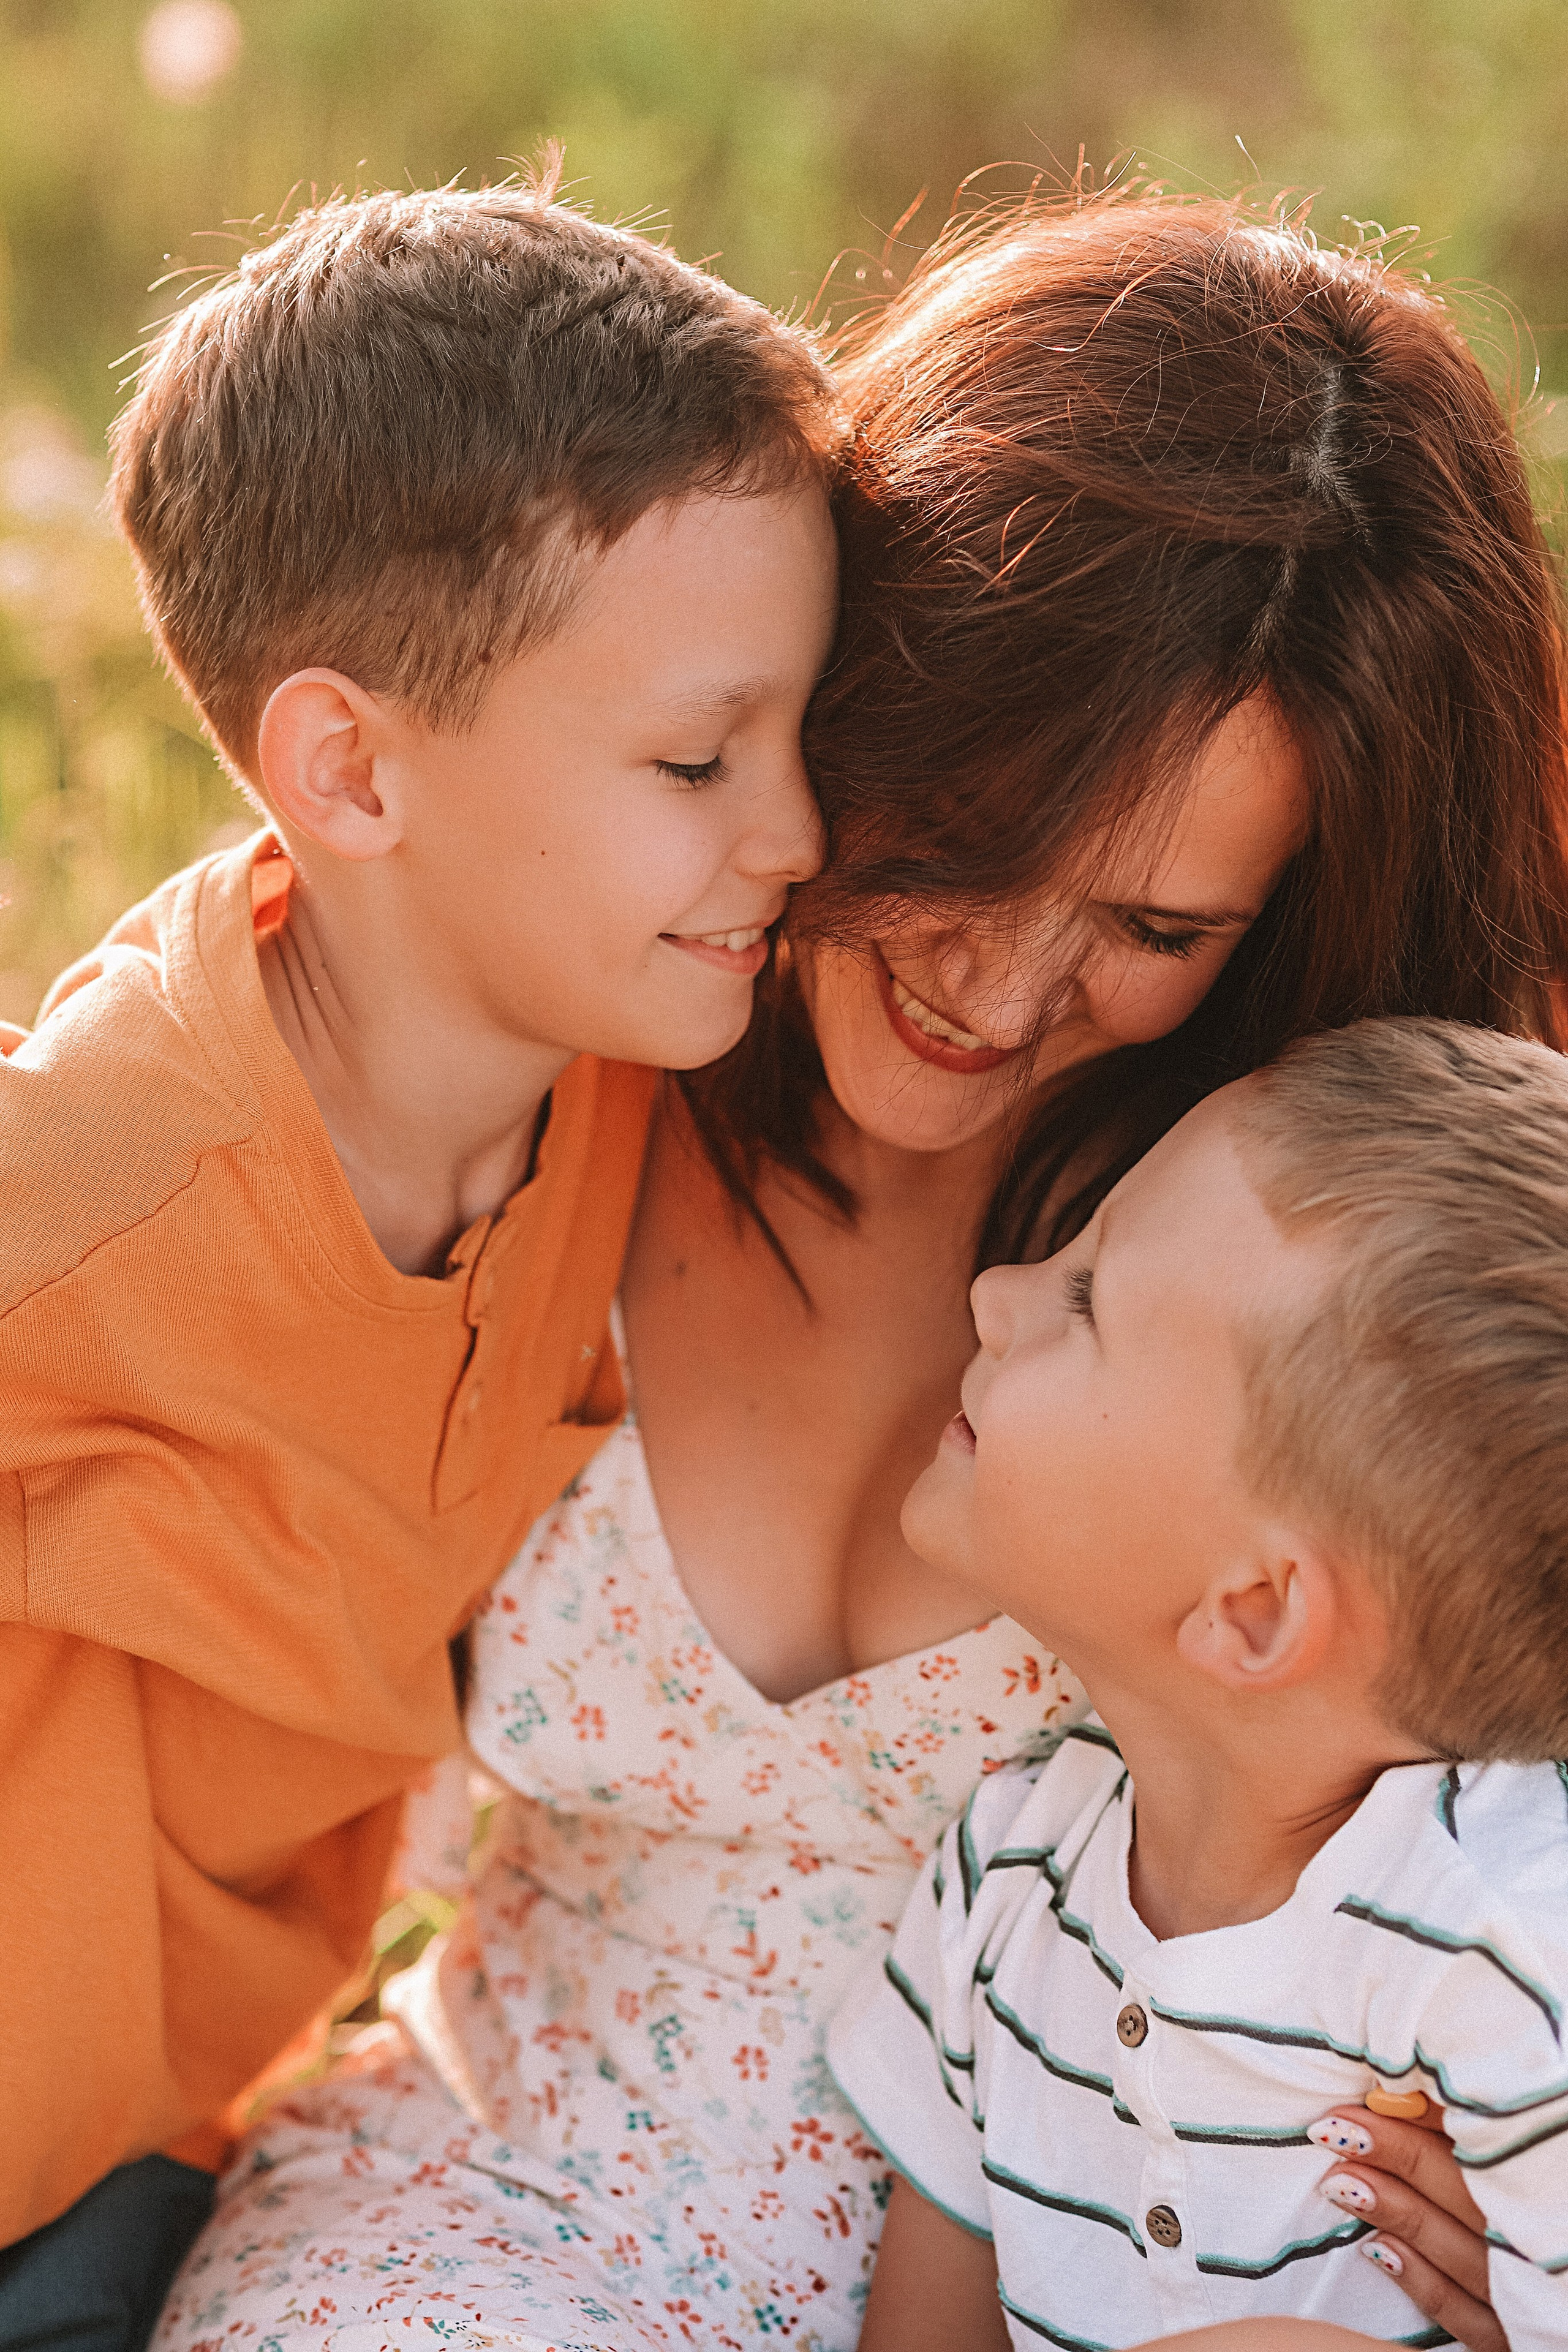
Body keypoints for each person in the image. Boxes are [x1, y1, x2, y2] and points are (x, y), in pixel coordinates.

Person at [148, 190, 1568, 2352]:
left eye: (1156, 929)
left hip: (1144, 2289)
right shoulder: (548, 1029)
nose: (999, 990)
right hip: (483, 2226)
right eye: (969, 837)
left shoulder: (1360, 1273)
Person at [0, 178, 840, 2336]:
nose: (797, 831)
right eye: (697, 757)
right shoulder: (103, 1170)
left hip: (152, 2142)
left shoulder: (630, 1081)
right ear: (351, 771)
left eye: (801, 732)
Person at [833, 1017, 1568, 2352]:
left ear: (1249, 1613)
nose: (997, 1290)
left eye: (1082, 1300)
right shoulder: (1008, 1871)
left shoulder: (1513, 1954)